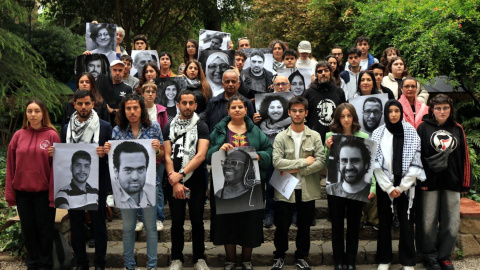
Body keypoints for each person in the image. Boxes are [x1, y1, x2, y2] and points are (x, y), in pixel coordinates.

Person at [207, 95, 273, 270]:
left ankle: (246, 261)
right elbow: (207, 154)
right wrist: (218, 150)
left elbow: (269, 150)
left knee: (249, 223)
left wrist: (260, 156)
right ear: (228, 110)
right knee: (227, 222)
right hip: (224, 186)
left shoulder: (255, 130)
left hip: (251, 186)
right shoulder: (219, 130)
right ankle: (230, 261)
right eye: (233, 107)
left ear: (246, 110)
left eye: (240, 107)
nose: (237, 110)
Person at [52, 89, 112, 270]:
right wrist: (55, 154)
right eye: (80, 103)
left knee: (98, 225)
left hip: (97, 182)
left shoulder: (104, 127)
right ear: (74, 105)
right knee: (77, 225)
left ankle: (100, 263)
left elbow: (112, 156)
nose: (84, 107)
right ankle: (81, 263)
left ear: (93, 104)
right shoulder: (66, 128)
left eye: (87, 103)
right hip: (73, 183)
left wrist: (106, 152)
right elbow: (64, 156)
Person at [104, 94, 163, 270]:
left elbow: (161, 156)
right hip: (125, 188)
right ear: (123, 111)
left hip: (149, 185)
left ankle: (152, 266)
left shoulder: (154, 127)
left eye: (135, 108)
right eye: (128, 108)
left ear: (141, 109)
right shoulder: (117, 130)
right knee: (128, 227)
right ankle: (129, 265)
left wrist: (158, 149)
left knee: (151, 228)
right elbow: (114, 159)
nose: (132, 111)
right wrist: (108, 150)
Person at [270, 96, 325, 270]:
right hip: (285, 187)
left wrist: (296, 169)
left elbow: (321, 161)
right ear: (289, 112)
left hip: (307, 188)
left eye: (301, 111)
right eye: (294, 111)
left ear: (306, 113)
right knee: (282, 226)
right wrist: (304, 162)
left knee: (304, 226)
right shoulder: (281, 137)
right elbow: (277, 163)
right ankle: (279, 256)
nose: (297, 114)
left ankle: (301, 256)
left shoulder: (314, 135)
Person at [417, 94, 471, 270]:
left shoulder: (457, 129)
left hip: (452, 182)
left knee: (451, 222)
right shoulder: (423, 128)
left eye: (445, 108)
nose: (442, 111)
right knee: (428, 222)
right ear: (432, 109)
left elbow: (464, 157)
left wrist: (465, 183)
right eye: (438, 108)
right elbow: (417, 156)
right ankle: (429, 255)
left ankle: (444, 256)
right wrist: (420, 180)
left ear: (450, 109)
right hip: (429, 183)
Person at [6, 100, 60, 270]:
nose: (33, 114)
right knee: (28, 231)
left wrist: (57, 154)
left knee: (45, 232)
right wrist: (10, 194)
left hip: (43, 193)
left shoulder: (52, 135)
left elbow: (59, 167)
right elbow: (11, 165)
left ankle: (45, 265)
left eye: (37, 111)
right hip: (23, 193)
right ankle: (32, 264)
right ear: (26, 114)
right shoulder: (18, 136)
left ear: (43, 113)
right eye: (30, 111)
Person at [371, 100, 426, 270]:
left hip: (406, 186)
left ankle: (408, 261)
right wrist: (388, 188)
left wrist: (401, 187)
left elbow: (416, 160)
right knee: (385, 223)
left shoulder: (411, 132)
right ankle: (384, 260)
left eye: (396, 111)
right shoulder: (378, 133)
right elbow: (375, 163)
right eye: (390, 111)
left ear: (401, 113)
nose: (393, 114)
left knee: (407, 223)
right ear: (385, 113)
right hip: (384, 185)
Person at [163, 90, 211, 270]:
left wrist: (180, 174)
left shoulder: (202, 126)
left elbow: (201, 155)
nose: (188, 106)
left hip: (196, 180)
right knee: (176, 221)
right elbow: (167, 155)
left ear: (196, 105)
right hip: (174, 181)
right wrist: (174, 181)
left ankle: (199, 257)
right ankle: (176, 257)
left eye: (191, 103)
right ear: (178, 104)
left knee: (197, 220)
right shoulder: (169, 126)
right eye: (184, 103)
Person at [324, 103, 373, 270]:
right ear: (338, 118)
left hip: (358, 189)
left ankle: (351, 261)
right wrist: (327, 149)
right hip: (335, 187)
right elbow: (326, 164)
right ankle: (338, 261)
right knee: (337, 225)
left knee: (354, 225)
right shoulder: (330, 135)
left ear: (354, 117)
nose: (346, 119)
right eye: (342, 116)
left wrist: (371, 187)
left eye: (349, 116)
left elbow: (370, 165)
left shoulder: (363, 136)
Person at [141, 82, 168, 230]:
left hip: (158, 155)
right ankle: (141, 217)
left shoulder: (162, 111)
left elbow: (164, 133)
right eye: (147, 91)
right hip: (141, 157)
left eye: (153, 91)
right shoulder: (138, 110)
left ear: (156, 94)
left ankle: (159, 217)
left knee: (157, 187)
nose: (150, 94)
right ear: (143, 94)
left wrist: (162, 152)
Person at [304, 61, 346, 142]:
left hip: (334, 136)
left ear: (331, 73)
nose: (323, 73)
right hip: (313, 138)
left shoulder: (339, 92)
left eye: (326, 70)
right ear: (316, 75)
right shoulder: (308, 93)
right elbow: (305, 117)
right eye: (320, 71)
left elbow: (343, 115)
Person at [97, 60, 134, 124]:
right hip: (103, 123)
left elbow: (130, 108)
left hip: (121, 124)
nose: (117, 73)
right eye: (115, 70)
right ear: (110, 70)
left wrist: (113, 110)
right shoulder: (102, 87)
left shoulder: (128, 89)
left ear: (124, 71)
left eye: (120, 70)